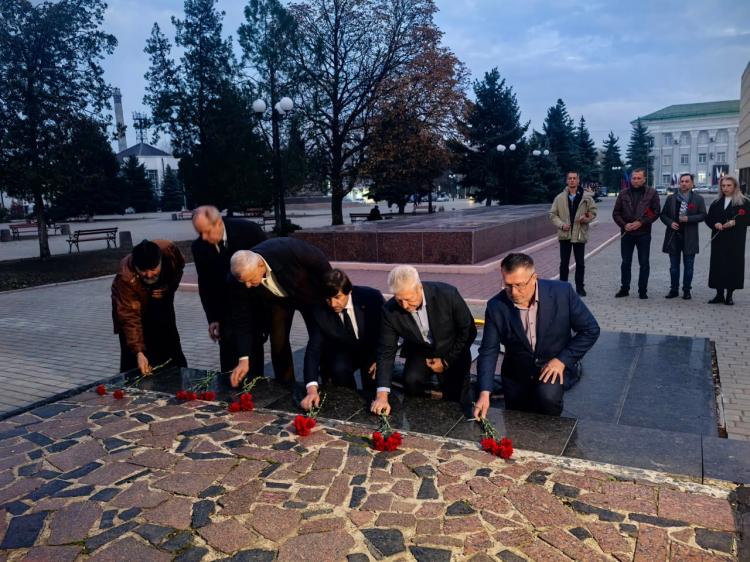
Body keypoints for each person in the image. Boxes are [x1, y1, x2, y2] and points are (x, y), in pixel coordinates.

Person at [473, 253, 600, 418]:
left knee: (548, 398)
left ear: (534, 278)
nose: (514, 292)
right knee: (515, 420)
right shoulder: (496, 306)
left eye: (519, 285)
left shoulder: (562, 293)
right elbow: (489, 351)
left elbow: (590, 330)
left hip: (552, 366)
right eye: (508, 285)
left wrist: (562, 360)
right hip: (516, 373)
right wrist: (484, 392)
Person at [370, 265, 476, 416]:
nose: (404, 306)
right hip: (421, 351)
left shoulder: (448, 294)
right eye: (399, 300)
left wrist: (446, 361)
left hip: (453, 349)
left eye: (408, 299)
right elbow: (386, 351)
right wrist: (381, 396)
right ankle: (421, 417)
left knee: (457, 394)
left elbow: (468, 331)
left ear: (419, 288)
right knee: (411, 380)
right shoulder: (389, 311)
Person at [228, 238, 332, 388]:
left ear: (260, 265)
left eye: (250, 279)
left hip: (306, 293)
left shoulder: (287, 250)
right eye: (244, 282)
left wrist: (331, 294)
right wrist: (243, 359)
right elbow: (241, 319)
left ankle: (328, 380)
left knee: (320, 337)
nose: (248, 286)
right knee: (278, 342)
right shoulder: (238, 279)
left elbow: (320, 262)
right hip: (277, 301)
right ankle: (286, 384)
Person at [191, 205, 267, 372]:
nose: (203, 237)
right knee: (228, 358)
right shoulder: (199, 247)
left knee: (253, 356)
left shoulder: (249, 231)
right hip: (225, 311)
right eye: (199, 232)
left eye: (206, 231)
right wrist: (212, 318)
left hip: (253, 305)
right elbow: (205, 285)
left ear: (218, 223)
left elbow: (266, 267)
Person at [300, 269, 385, 410]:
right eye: (328, 298)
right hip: (342, 352)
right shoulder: (319, 310)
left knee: (373, 380)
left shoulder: (372, 298)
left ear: (349, 291)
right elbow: (313, 350)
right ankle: (350, 405)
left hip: (371, 351)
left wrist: (381, 358)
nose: (333, 304)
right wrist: (311, 390)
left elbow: (387, 333)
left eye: (337, 297)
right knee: (339, 371)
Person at [111, 239, 187, 374]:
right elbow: (130, 317)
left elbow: (178, 268)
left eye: (153, 269)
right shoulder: (125, 278)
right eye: (143, 270)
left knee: (172, 352)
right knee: (135, 365)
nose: (149, 274)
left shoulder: (169, 252)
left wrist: (169, 288)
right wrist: (139, 352)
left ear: (160, 261)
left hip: (161, 305)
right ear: (136, 266)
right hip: (134, 313)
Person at [612, 168, 661, 299]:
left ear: (644, 179)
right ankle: (624, 288)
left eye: (639, 178)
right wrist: (624, 225)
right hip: (627, 233)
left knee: (644, 263)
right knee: (625, 262)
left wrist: (641, 222)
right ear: (631, 179)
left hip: (643, 233)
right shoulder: (623, 193)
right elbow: (616, 213)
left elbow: (655, 212)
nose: (636, 180)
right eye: (634, 178)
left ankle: (642, 290)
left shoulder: (651, 193)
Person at [549, 171, 598, 296]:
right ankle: (563, 288)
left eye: (574, 178)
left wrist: (585, 217)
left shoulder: (586, 197)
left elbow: (593, 212)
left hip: (579, 234)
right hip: (565, 234)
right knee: (564, 264)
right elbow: (552, 215)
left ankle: (580, 288)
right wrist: (561, 225)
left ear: (578, 180)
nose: (572, 180)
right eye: (570, 178)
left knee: (580, 263)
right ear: (567, 180)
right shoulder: (559, 198)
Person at [660, 173, 706, 300]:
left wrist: (688, 219)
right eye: (682, 181)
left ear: (692, 183)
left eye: (687, 181)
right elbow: (663, 215)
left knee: (689, 267)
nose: (684, 183)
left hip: (690, 238)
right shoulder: (671, 198)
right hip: (673, 237)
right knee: (674, 267)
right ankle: (674, 290)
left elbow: (703, 215)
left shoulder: (698, 199)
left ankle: (687, 290)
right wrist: (670, 223)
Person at [705, 176, 749, 305]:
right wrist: (715, 224)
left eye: (729, 185)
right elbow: (709, 218)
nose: (725, 188)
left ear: (735, 186)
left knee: (732, 266)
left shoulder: (744, 202)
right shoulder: (716, 202)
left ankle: (729, 295)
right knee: (718, 265)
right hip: (719, 239)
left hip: (735, 240)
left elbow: (748, 218)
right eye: (723, 186)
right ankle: (719, 294)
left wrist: (736, 222)